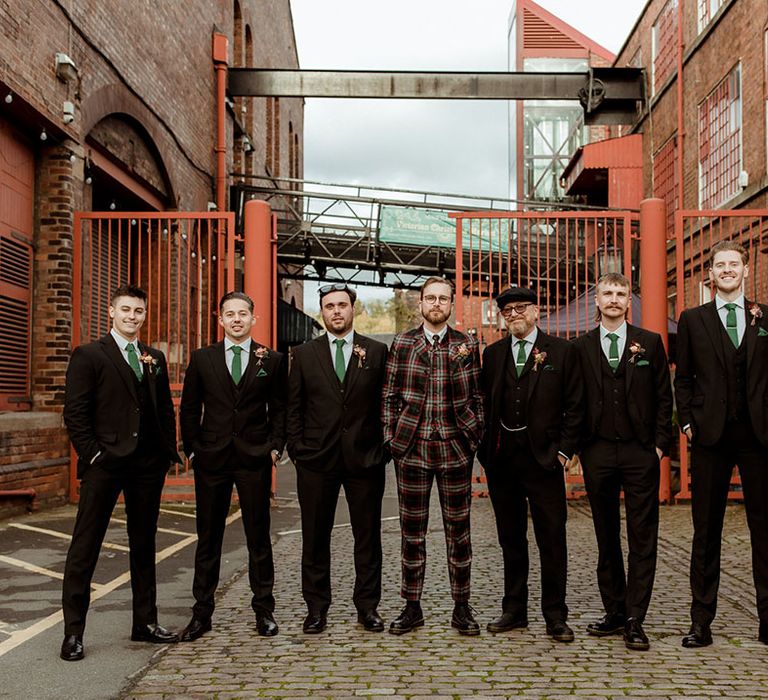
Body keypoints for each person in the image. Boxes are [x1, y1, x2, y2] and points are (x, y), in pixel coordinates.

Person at [61, 284, 181, 661]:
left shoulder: (154, 358)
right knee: (86, 546)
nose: (132, 316)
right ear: (111, 312)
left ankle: (145, 623)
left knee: (144, 546)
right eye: (126, 310)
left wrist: (165, 455)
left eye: (139, 311)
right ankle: (73, 633)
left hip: (147, 467)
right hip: (105, 464)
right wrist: (94, 455)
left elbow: (163, 410)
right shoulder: (88, 355)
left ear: (145, 315)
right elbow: (75, 414)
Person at [675, 240, 768, 648]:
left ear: (746, 270)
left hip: (758, 437)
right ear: (710, 274)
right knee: (705, 531)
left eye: (734, 264)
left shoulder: (765, 316)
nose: (727, 269)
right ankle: (701, 622)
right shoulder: (692, 319)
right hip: (710, 436)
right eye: (720, 264)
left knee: (764, 530)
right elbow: (683, 378)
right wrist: (688, 423)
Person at [573, 273, 673, 651]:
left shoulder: (649, 343)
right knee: (606, 534)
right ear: (596, 301)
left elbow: (665, 398)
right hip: (597, 451)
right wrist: (580, 449)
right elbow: (575, 399)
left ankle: (635, 617)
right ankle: (613, 609)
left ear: (628, 302)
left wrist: (660, 447)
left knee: (642, 536)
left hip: (639, 452)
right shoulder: (580, 347)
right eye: (607, 294)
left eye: (620, 293)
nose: (613, 299)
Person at [179, 291, 286, 641]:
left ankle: (264, 611)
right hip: (213, 458)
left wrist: (274, 447)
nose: (236, 319)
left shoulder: (271, 359)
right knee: (208, 538)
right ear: (220, 318)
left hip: (254, 457)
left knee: (259, 537)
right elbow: (190, 408)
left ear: (254, 318)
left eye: (243, 313)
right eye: (230, 313)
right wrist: (194, 448)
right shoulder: (202, 358)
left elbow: (280, 409)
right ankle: (202, 614)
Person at [478, 286, 582, 643]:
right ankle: (514, 609)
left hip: (544, 461)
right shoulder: (492, 355)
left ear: (537, 311)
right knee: (510, 538)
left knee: (551, 538)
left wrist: (564, 451)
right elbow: (483, 405)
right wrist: (484, 452)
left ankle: (555, 614)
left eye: (521, 308)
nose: (514, 315)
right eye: (507, 311)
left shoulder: (562, 352)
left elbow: (575, 406)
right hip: (502, 460)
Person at [382, 276, 484, 636]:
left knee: (460, 532)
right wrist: (392, 439)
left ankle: (461, 607)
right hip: (412, 449)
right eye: (430, 298)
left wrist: (473, 436)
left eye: (443, 299)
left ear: (451, 305)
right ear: (420, 304)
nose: (437, 304)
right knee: (412, 532)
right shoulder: (403, 343)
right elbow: (390, 396)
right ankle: (412, 606)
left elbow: (477, 396)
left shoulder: (466, 344)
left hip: (456, 448)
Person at [287, 283, 389, 634]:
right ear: (322, 311)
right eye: (329, 306)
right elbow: (294, 408)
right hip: (317, 460)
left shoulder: (376, 351)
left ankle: (368, 606)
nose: (336, 311)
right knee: (315, 537)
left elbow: (385, 404)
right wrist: (298, 449)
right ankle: (316, 608)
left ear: (353, 309)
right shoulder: (303, 354)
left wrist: (383, 449)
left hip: (365, 459)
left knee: (368, 536)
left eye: (342, 305)